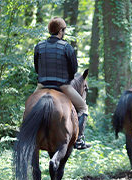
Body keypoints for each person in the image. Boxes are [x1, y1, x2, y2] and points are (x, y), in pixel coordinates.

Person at [34, 17, 91, 150]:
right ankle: (79, 140)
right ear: (60, 31)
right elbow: (74, 70)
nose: (64, 32)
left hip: (42, 85)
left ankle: (23, 134)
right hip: (62, 86)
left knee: (28, 107)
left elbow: (37, 68)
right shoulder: (67, 47)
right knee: (83, 108)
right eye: (64, 30)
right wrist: (67, 79)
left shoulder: (39, 46)